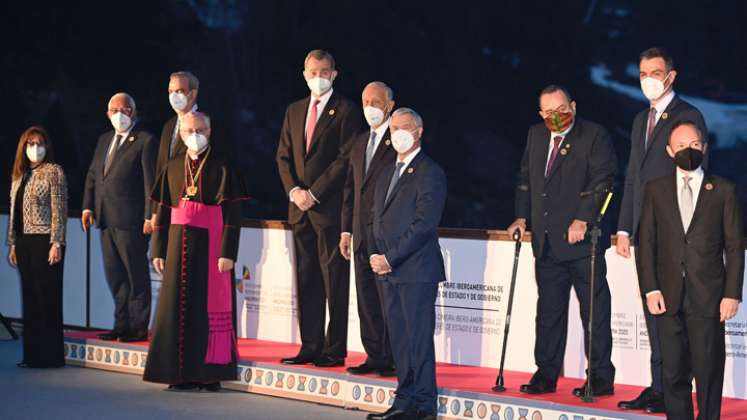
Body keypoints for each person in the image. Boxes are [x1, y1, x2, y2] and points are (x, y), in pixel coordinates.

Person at [508, 85, 617, 397]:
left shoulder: (593, 135)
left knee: (594, 313)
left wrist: (583, 217)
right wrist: (521, 217)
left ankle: (599, 376)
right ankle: (546, 373)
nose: (557, 116)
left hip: (583, 244)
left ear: (573, 105)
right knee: (549, 312)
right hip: (546, 242)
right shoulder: (535, 136)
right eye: (549, 112)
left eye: (561, 108)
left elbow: (604, 180)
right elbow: (525, 180)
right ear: (541, 114)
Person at [616, 47, 708, 413]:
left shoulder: (687, 116)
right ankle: (659, 387)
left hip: (676, 233)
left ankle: (675, 393)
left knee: (675, 319)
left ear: (671, 75)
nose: (648, 80)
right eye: (642, 73)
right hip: (645, 232)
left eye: (655, 72)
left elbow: (696, 175)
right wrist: (624, 227)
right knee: (655, 314)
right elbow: (633, 178)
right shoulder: (642, 120)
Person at [638, 121, 743, 420]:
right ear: (670, 151)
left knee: (708, 371)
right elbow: (646, 242)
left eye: (695, 145)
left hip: (709, 297)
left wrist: (731, 294)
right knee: (672, 371)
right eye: (682, 146)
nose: (689, 150)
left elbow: (734, 247)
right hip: (667, 295)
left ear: (704, 147)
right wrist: (651, 288)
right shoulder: (655, 189)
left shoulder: (723, 190)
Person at [144, 111, 248, 392]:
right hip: (177, 246)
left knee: (206, 310)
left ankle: (209, 375)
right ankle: (180, 374)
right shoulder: (173, 165)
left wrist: (229, 252)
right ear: (180, 133)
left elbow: (233, 214)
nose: (194, 134)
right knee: (178, 310)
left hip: (212, 247)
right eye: (189, 130)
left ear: (210, 131)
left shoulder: (222, 164)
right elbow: (162, 211)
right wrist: (158, 250)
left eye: (200, 129)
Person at [276, 49, 364, 367]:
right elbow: (283, 156)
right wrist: (294, 191)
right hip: (299, 209)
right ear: (304, 74)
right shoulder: (294, 110)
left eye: (324, 72)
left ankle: (334, 348)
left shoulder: (347, 111)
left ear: (334, 74)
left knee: (333, 280)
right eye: (313, 72)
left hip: (328, 208)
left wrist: (314, 193)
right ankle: (310, 345)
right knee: (307, 277)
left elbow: (345, 159)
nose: (319, 77)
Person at [366, 108, 446, 420]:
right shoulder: (386, 171)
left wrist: (390, 257)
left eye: (405, 127)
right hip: (387, 270)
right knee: (399, 338)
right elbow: (376, 218)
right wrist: (376, 255)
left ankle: (425, 406)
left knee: (418, 339)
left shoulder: (430, 172)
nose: (398, 132)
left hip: (416, 270)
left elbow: (424, 225)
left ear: (419, 131)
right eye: (394, 127)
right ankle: (404, 401)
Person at [82, 92, 158, 342]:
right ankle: (120, 325)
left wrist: (150, 215)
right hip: (105, 220)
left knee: (135, 275)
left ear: (134, 112)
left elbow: (151, 183)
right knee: (115, 275)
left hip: (132, 221)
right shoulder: (104, 139)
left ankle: (137, 327)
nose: (120, 114)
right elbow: (94, 176)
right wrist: (88, 207)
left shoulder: (145, 140)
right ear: (107, 114)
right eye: (114, 110)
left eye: (125, 110)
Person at [340, 81, 397, 377]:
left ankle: (392, 356)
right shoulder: (359, 142)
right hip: (360, 235)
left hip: (387, 235)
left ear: (389, 105)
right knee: (366, 299)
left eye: (376, 102)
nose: (370, 107)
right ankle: (374, 354)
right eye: (365, 101)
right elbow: (350, 189)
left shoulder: (399, 138)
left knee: (388, 299)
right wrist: (346, 231)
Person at [7, 126, 67, 368]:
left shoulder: (54, 172)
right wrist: (12, 244)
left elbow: (59, 210)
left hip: (45, 241)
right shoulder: (19, 176)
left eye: (39, 143)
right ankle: (32, 356)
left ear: (47, 146)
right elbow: (15, 213)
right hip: (23, 242)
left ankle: (50, 357)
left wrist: (57, 242)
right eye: (30, 143)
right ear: (23, 147)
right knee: (30, 298)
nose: (35, 148)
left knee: (47, 298)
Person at [155, 71, 199, 182]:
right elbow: (161, 166)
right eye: (170, 91)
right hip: (169, 196)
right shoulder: (168, 126)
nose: (173, 96)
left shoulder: (205, 125)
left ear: (193, 94)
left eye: (179, 91)